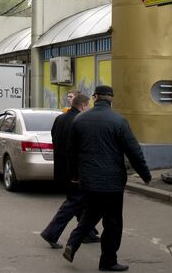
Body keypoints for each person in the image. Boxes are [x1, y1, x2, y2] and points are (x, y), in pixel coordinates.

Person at [62, 85, 151, 272]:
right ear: (111, 99)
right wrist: (145, 174)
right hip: (112, 182)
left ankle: (72, 243)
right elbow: (133, 150)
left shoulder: (80, 119)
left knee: (90, 213)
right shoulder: (119, 121)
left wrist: (75, 176)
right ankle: (108, 261)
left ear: (95, 98)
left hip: (88, 180)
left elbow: (71, 151)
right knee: (112, 222)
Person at [41, 93, 100, 249]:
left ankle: (88, 232)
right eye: (88, 106)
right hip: (76, 171)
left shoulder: (60, 119)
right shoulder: (80, 121)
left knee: (79, 202)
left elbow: (55, 140)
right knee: (74, 203)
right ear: (82, 106)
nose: (88, 109)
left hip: (61, 169)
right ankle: (51, 232)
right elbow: (80, 149)